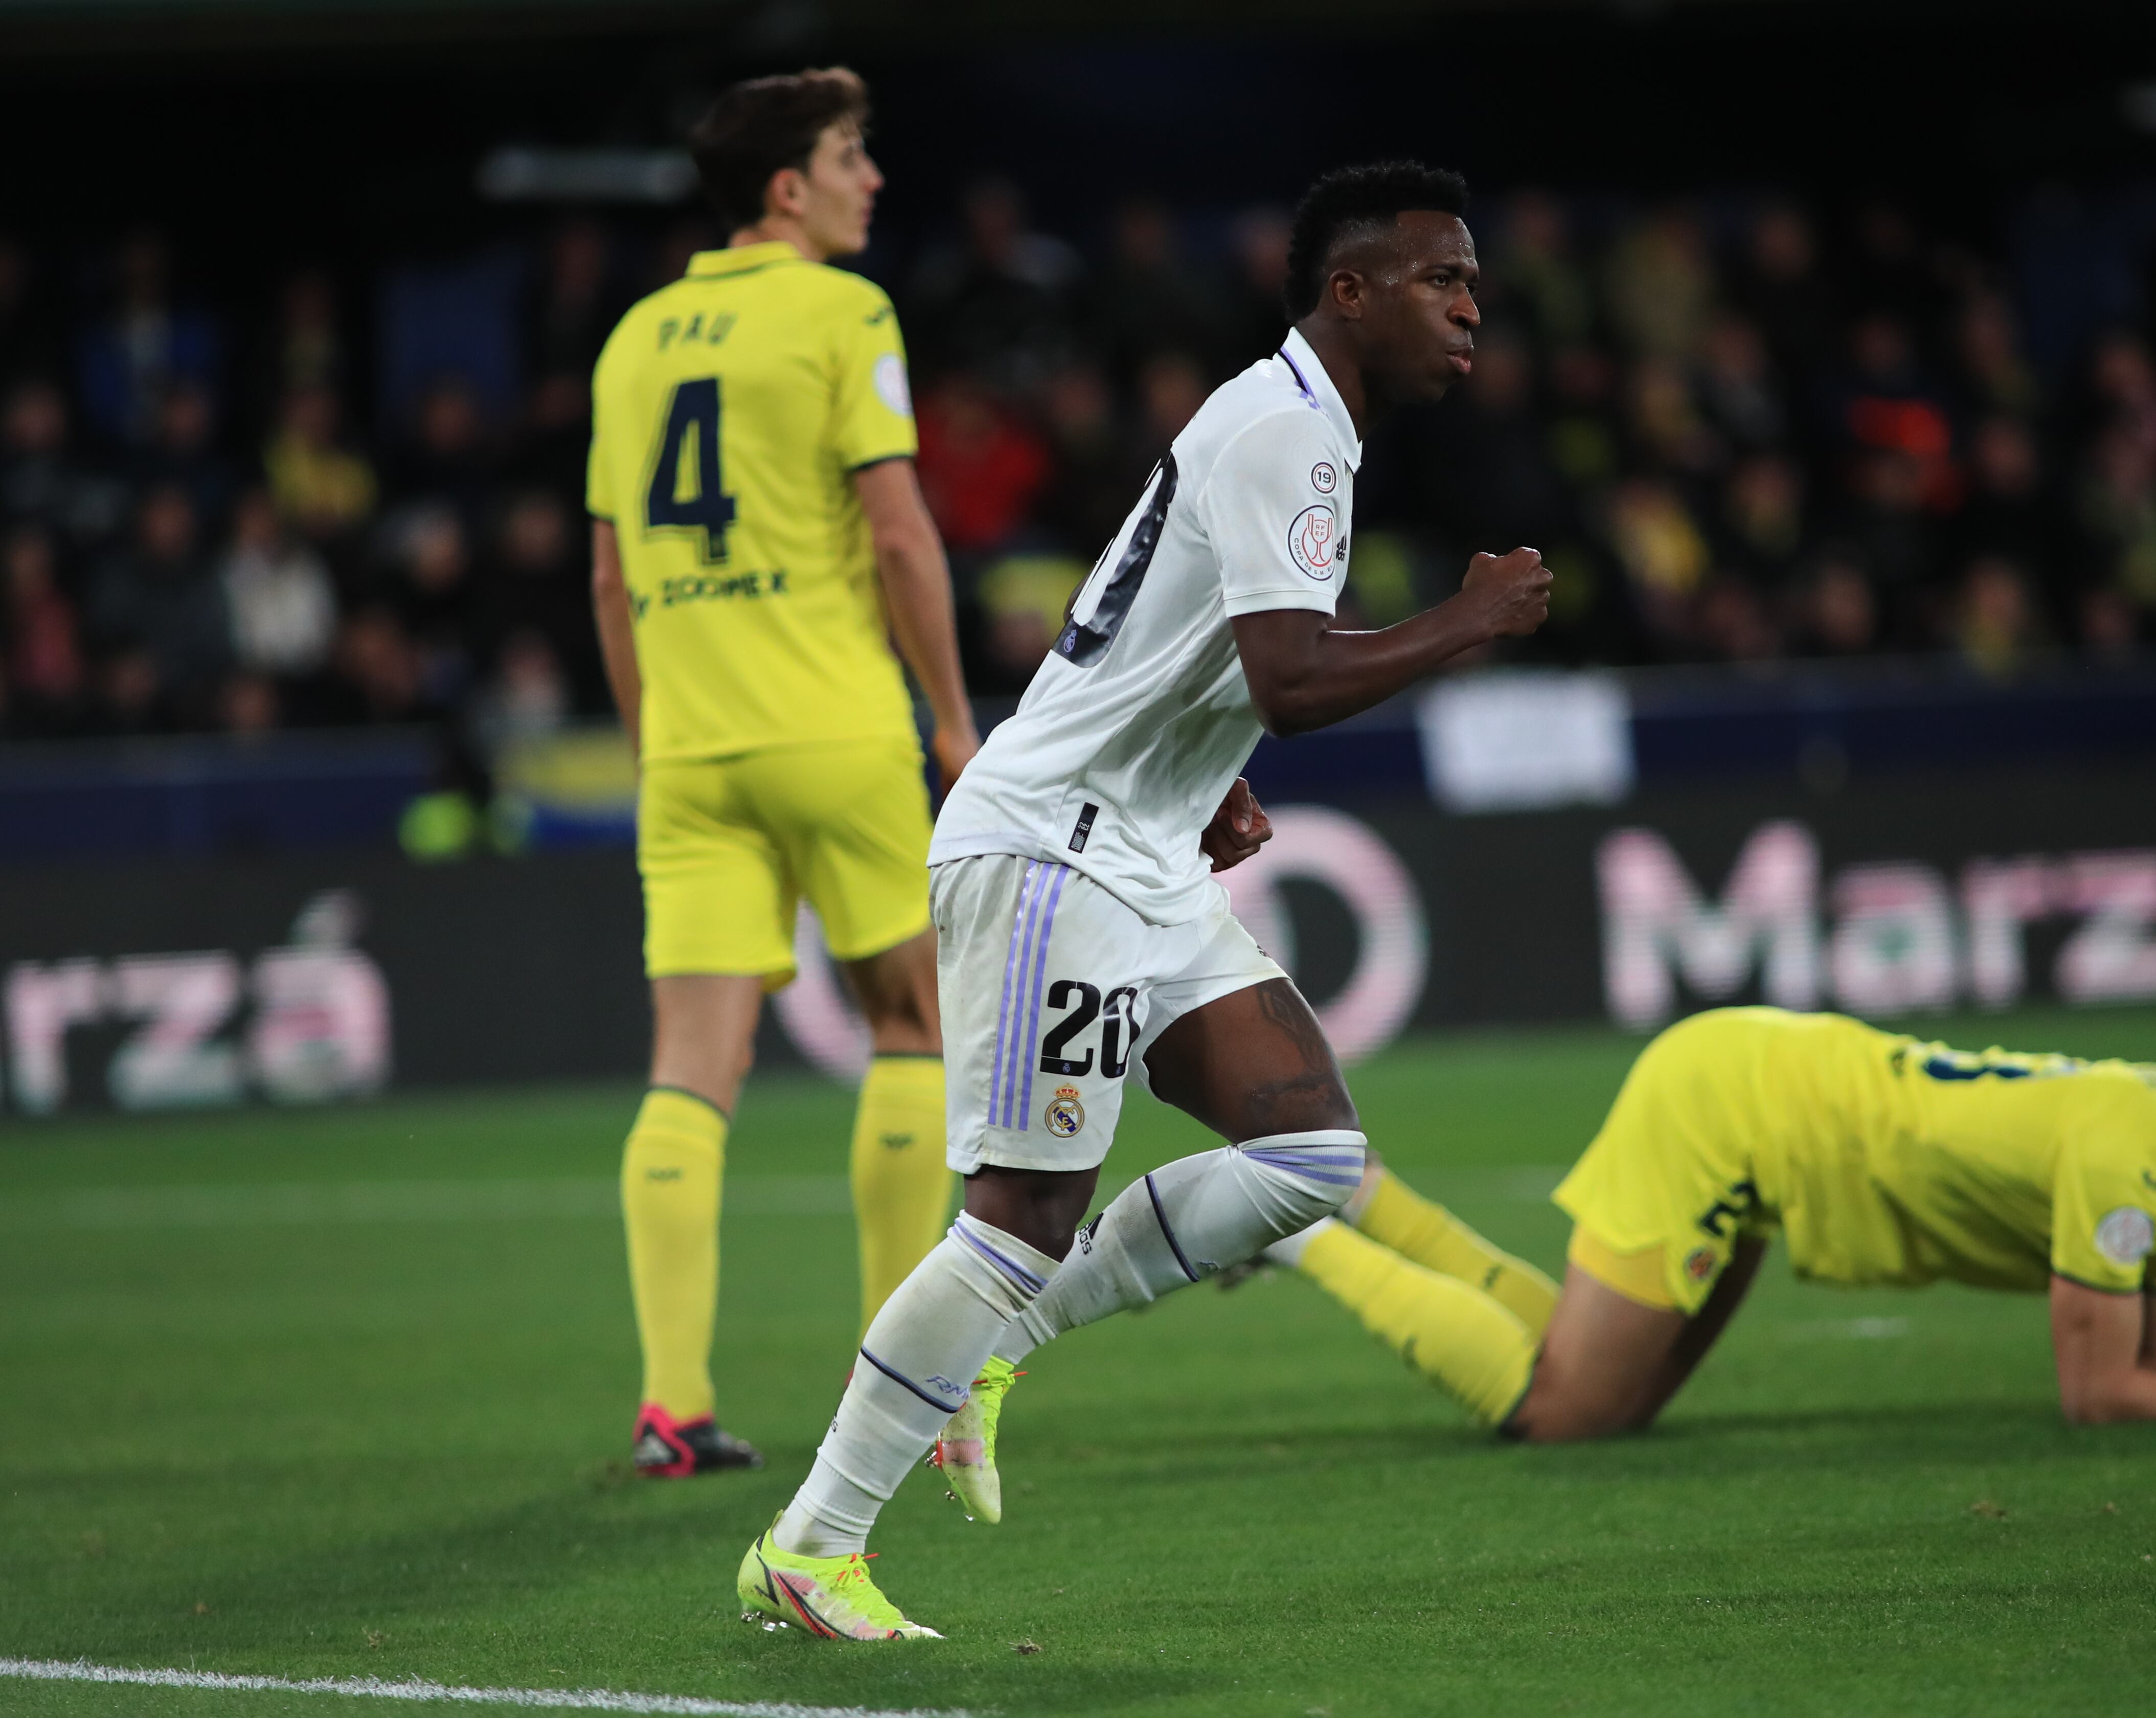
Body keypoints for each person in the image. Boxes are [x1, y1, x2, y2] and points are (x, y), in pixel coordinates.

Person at [734, 160, 1552, 1642]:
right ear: (1350, 292)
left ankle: (994, 1352)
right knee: (1018, 1216)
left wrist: (1196, 759)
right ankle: (813, 1542)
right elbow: (1294, 678)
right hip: (1057, 850)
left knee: (1306, 1152)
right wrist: (1466, 622)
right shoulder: (1291, 432)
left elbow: (1131, 618)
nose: (1471, 308)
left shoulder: (1284, 420)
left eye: (1475, 284)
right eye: (1443, 280)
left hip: (1143, 844)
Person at [585, 67, 980, 1480]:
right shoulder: (842, 312)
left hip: (690, 747)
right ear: (784, 189)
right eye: (848, 155)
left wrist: (657, 750)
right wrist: (951, 712)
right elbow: (896, 534)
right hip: (833, 728)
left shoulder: (631, 342)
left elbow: (611, 578)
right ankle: (901, 1384)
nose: (870, 179)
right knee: (912, 1021)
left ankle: (670, 1406)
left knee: (690, 1068)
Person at [1265, 1007, 2156, 1439]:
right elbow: (2097, 1398)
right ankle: (1291, 1231)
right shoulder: (2133, 1170)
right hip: (1741, 1114)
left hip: (1771, 1103)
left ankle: (1355, 1189)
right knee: (1565, 1412)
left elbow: (2152, 1380)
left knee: (1610, 1385)